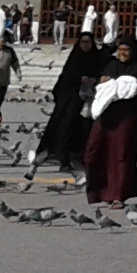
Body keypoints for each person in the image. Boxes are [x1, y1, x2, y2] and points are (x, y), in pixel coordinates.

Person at [80, 36, 137, 205]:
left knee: (121, 156)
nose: (123, 54)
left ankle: (119, 195)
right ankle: (99, 192)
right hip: (105, 117)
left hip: (128, 118)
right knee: (93, 152)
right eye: (120, 50)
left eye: (126, 51)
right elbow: (102, 87)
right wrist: (102, 83)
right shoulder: (112, 65)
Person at [40, 31, 106, 173]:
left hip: (89, 103)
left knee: (86, 132)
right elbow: (66, 79)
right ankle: (64, 160)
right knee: (66, 131)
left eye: (88, 42)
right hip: (70, 103)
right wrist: (79, 79)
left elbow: (103, 70)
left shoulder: (96, 58)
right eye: (83, 42)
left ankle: (84, 160)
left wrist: (94, 80)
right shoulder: (75, 58)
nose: (85, 45)